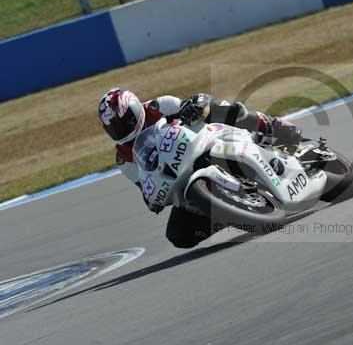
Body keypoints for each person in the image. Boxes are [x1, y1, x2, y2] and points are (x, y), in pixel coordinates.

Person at [97, 87, 301, 248]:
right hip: (179, 176)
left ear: (134, 109)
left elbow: (199, 102)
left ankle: (271, 126)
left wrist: (195, 105)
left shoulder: (159, 106)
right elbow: (144, 186)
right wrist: (153, 200)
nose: (120, 130)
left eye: (123, 123)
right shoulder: (123, 159)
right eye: (113, 127)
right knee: (179, 235)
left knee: (221, 108)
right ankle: (232, 210)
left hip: (202, 141)